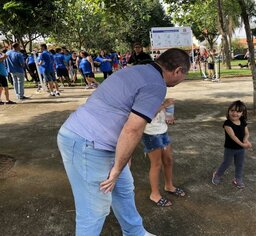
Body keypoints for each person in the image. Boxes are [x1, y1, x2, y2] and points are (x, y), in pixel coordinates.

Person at [57, 48, 190, 236]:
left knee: (124, 189)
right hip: (87, 143)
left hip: (96, 140)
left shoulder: (136, 71)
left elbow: (129, 113)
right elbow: (133, 129)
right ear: (178, 71)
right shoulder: (156, 84)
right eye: (184, 75)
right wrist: (117, 168)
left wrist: (122, 157)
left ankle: (135, 232)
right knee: (94, 209)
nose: (182, 79)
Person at [142, 98, 186, 207]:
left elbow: (166, 109)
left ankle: (169, 186)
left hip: (162, 130)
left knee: (168, 160)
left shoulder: (159, 92)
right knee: (156, 164)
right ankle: (154, 194)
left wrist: (169, 115)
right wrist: (164, 105)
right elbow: (146, 114)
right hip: (150, 133)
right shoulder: (144, 95)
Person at [211, 100, 252, 188]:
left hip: (240, 149)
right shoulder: (227, 124)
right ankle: (217, 174)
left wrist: (245, 140)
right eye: (232, 110)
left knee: (239, 164)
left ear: (242, 113)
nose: (235, 113)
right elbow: (233, 137)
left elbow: (247, 133)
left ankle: (238, 179)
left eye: (238, 111)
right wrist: (243, 145)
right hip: (230, 148)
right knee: (226, 163)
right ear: (228, 111)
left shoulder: (243, 121)